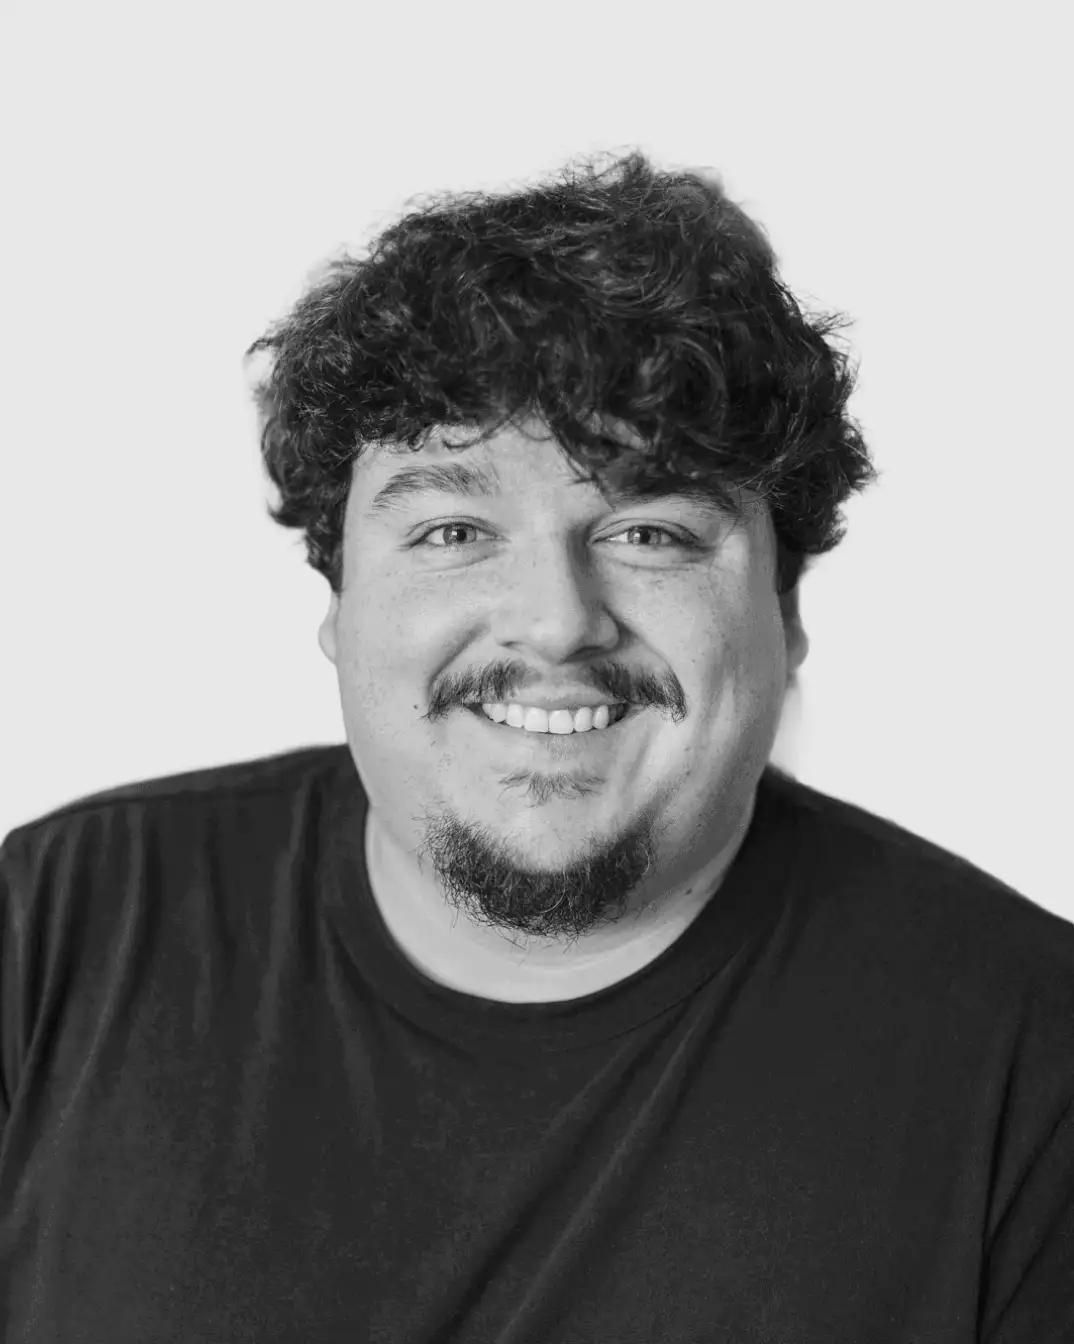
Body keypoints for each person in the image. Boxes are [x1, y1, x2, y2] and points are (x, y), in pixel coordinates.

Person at [1, 150, 1070, 1342]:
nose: (557, 619)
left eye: (652, 530)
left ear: (788, 611)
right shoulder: (53, 936)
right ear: (339, 599)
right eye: (455, 526)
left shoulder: (1036, 1071)